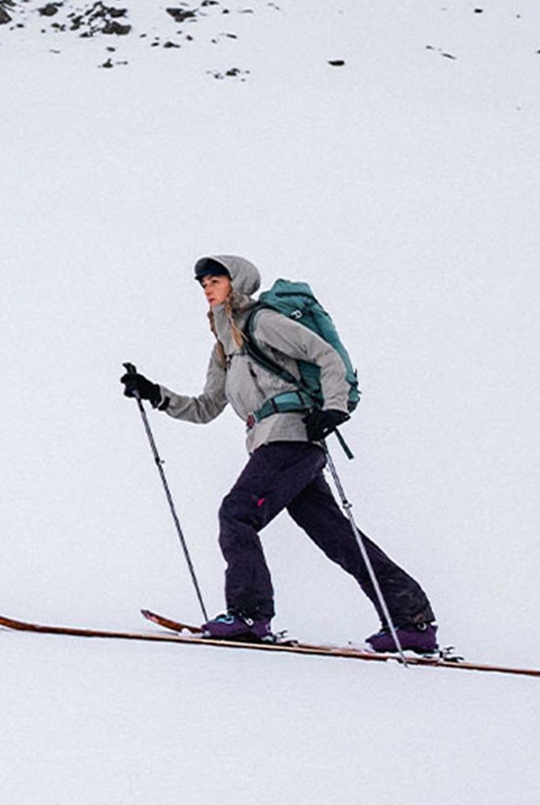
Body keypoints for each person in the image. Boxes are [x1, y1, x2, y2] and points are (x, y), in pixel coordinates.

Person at [120, 254, 438, 653]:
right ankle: (412, 622)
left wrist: (334, 407)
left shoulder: (263, 322)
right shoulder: (225, 346)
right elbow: (206, 408)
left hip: (291, 437)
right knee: (337, 537)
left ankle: (250, 615)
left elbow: (325, 356)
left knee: (237, 513)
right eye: (202, 282)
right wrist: (154, 394)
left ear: (236, 283)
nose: (206, 287)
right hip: (273, 442)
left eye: (215, 279)